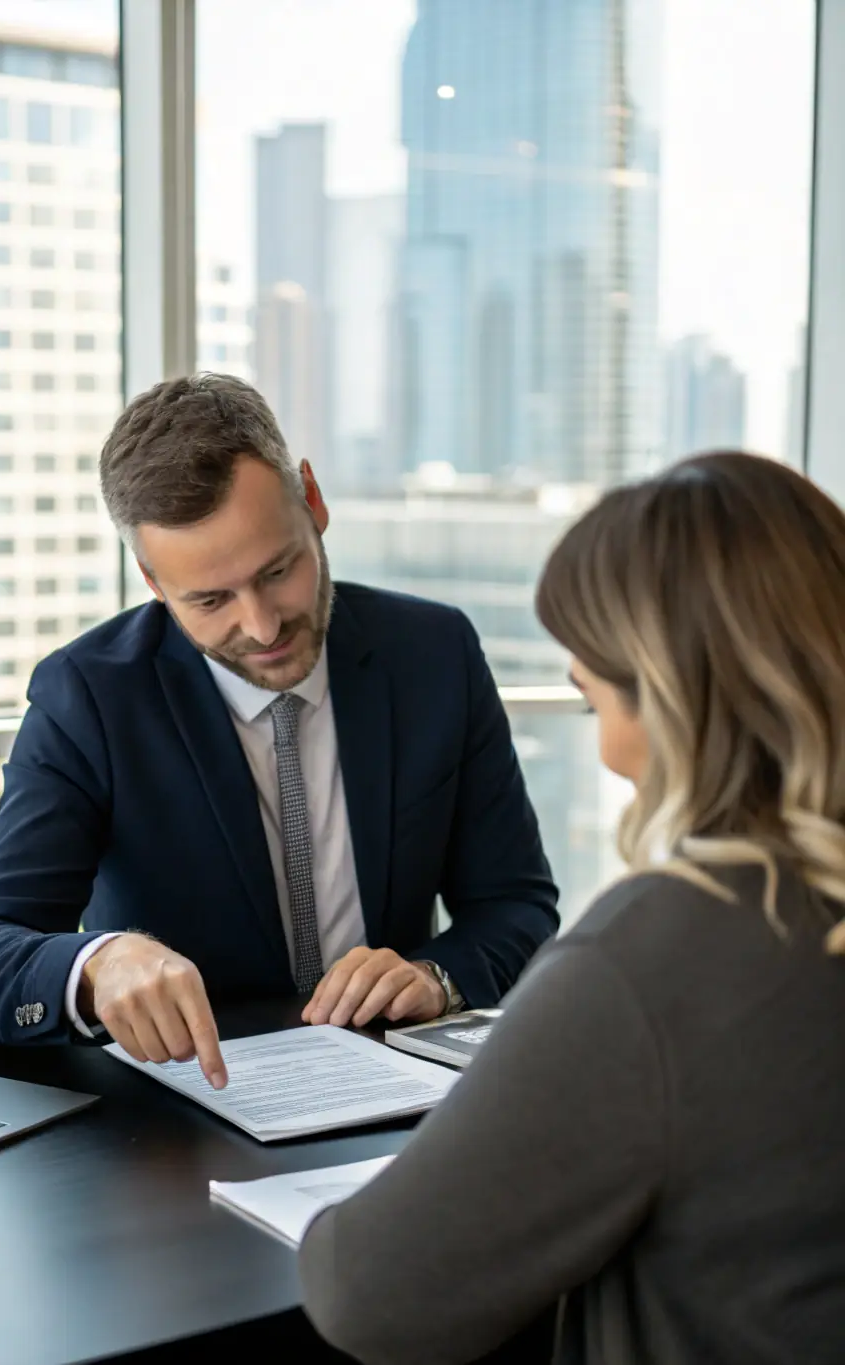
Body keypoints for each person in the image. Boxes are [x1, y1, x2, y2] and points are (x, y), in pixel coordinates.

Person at [299, 451, 845, 1365]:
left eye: (596, 684)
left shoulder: (658, 955)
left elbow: (367, 1292)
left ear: (672, 692)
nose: (578, 685)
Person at [0, 374, 558, 1086]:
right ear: (152, 581)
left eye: (279, 569)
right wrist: (98, 964)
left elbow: (517, 905)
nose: (261, 625)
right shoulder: (90, 697)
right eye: (210, 598)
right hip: (182, 1124)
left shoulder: (434, 652)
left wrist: (436, 976)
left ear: (313, 502)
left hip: (399, 1099)